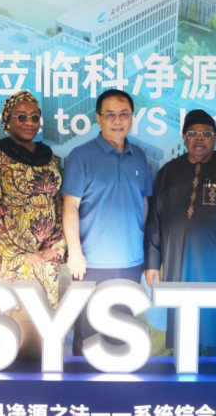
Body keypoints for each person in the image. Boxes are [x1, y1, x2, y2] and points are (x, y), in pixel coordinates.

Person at [144, 109, 216, 354]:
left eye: (206, 134)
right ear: (184, 137)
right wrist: (152, 262)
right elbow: (155, 220)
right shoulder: (168, 172)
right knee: (182, 327)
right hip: (178, 262)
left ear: (215, 138)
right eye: (193, 133)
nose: (199, 138)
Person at [62, 89, 152, 356]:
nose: (117, 120)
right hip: (91, 263)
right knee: (87, 334)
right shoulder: (81, 155)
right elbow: (70, 205)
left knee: (122, 332)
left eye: (124, 114)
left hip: (131, 262)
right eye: (110, 114)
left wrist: (143, 250)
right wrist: (74, 252)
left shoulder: (139, 156)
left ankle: (117, 384)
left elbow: (144, 204)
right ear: (98, 118)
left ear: (132, 118)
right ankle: (83, 384)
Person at [0, 90, 65, 308]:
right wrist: (24, 253)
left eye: (35, 117)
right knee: (10, 317)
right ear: (7, 121)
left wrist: (56, 245)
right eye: (21, 117)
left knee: (43, 317)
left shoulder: (49, 157)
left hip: (45, 256)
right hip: (11, 255)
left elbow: (59, 202)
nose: (29, 123)